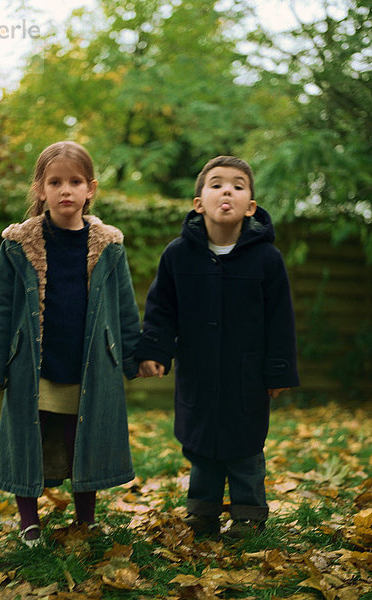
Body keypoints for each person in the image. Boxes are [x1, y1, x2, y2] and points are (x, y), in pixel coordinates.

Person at [0, 141, 141, 546]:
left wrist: (135, 358)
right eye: (55, 181)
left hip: (89, 365)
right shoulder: (17, 246)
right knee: (29, 443)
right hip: (34, 365)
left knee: (83, 442)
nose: (65, 190)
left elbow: (124, 308)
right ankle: (29, 522)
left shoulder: (109, 247)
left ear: (91, 189)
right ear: (40, 189)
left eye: (75, 181)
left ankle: (86, 519)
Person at [137, 155, 299, 538]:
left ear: (251, 207)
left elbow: (281, 320)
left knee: (245, 446)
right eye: (217, 184)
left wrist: (278, 371)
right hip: (198, 370)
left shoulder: (266, 259)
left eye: (238, 186)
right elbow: (161, 309)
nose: (227, 190)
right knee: (200, 443)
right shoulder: (178, 255)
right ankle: (202, 511)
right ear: (199, 203)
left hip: (248, 372)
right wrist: (155, 351)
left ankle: (248, 515)